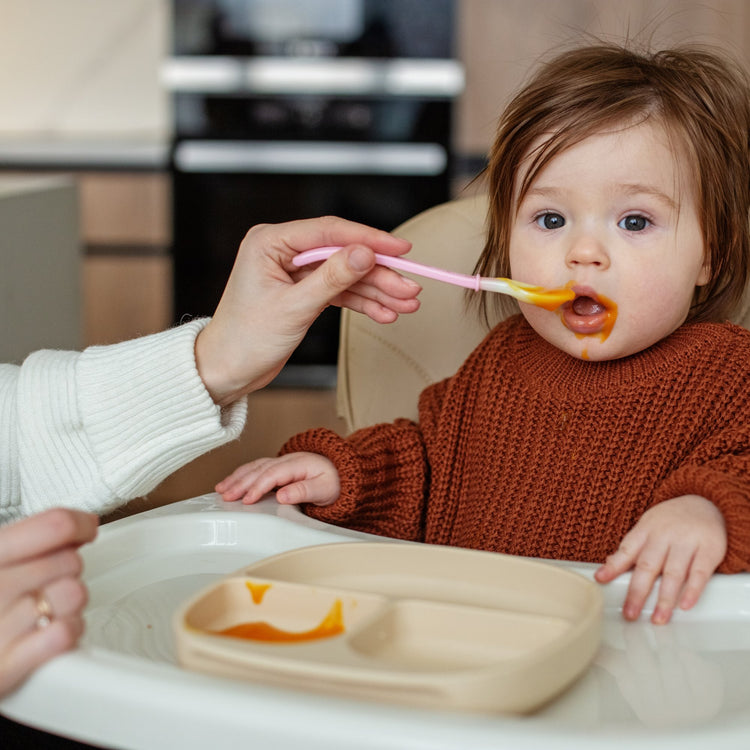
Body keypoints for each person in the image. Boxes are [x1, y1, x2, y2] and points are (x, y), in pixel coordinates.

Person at [216, 43, 750, 627]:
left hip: (629, 668)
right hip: (475, 640)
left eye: (635, 221)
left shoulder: (729, 374)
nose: (584, 254)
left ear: (710, 254)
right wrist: (344, 474)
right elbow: (427, 463)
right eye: (550, 220)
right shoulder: (499, 360)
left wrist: (709, 510)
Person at [0, 216, 421, 698]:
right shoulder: (486, 379)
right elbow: (428, 462)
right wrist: (353, 473)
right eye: (532, 219)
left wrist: (215, 358)